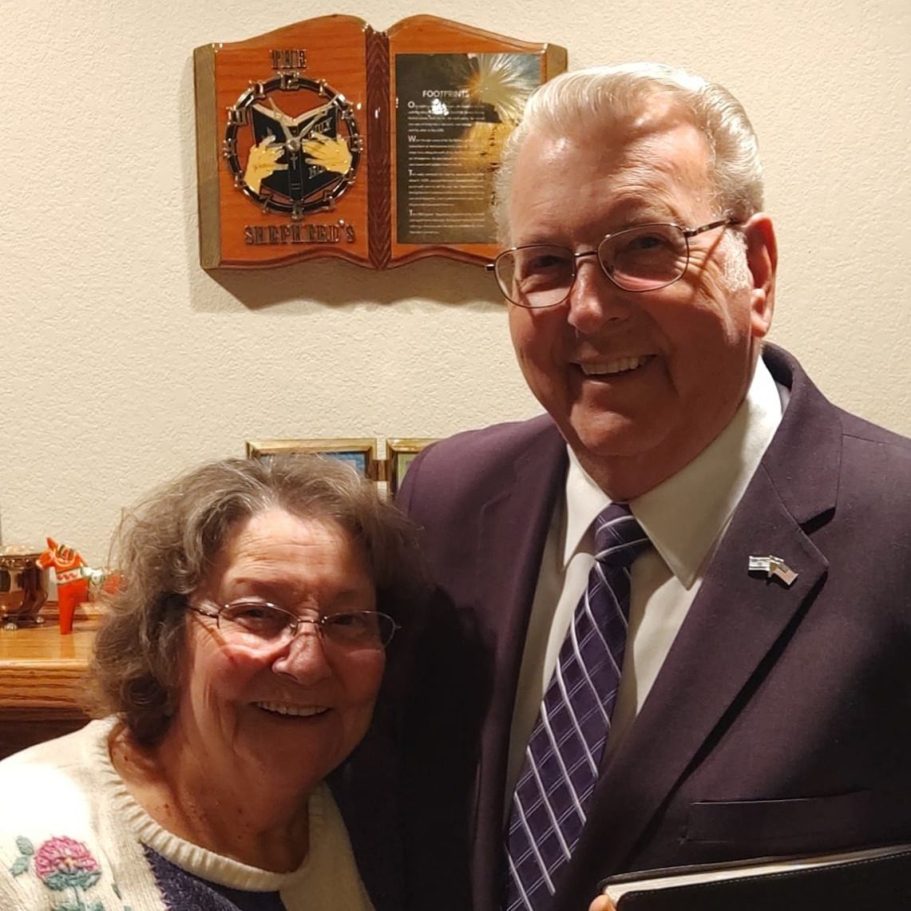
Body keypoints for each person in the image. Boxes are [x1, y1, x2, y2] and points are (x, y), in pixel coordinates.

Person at [397, 63, 911, 911]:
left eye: (643, 246)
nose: (587, 309)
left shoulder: (895, 534)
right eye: (546, 263)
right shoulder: (445, 501)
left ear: (757, 271)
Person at [0, 454, 425, 910]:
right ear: (165, 635)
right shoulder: (19, 844)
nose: (307, 664)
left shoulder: (385, 824)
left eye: (347, 620)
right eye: (257, 613)